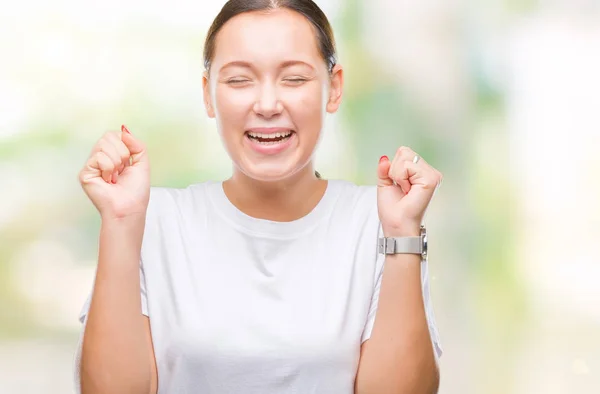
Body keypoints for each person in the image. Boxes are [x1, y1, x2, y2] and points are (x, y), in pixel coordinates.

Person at [74, 0, 444, 393]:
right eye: (238, 80)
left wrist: (403, 231)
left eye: (294, 79)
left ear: (333, 88)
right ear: (208, 93)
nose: (267, 105)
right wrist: (120, 223)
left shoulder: (378, 221)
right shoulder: (152, 219)